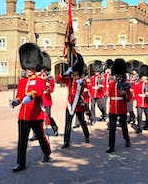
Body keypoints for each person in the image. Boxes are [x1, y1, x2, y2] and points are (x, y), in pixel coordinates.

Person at [10, 42, 51, 172]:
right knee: (22, 141)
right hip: (23, 116)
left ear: (34, 66)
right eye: (26, 68)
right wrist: (15, 102)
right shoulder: (22, 81)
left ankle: (47, 152)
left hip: (35, 115)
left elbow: (38, 92)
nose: (27, 70)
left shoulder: (40, 81)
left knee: (40, 136)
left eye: (29, 68)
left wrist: (30, 96)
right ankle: (20, 163)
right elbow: (20, 96)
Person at [56, 53, 90, 149]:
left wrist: (81, 82)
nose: (74, 75)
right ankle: (66, 142)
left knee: (82, 121)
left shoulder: (81, 81)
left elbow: (85, 85)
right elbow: (59, 79)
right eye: (73, 73)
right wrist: (64, 73)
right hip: (70, 105)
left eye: (75, 73)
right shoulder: (69, 80)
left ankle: (86, 135)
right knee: (67, 124)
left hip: (78, 105)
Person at [106, 58, 131, 153]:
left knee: (123, 125)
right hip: (113, 108)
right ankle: (111, 146)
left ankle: (127, 139)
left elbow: (129, 98)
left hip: (121, 108)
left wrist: (125, 93)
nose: (117, 76)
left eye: (118, 75)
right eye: (116, 75)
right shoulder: (111, 84)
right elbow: (110, 95)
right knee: (112, 128)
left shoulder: (125, 84)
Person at [132, 64, 148, 133]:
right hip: (139, 102)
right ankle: (139, 128)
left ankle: (147, 124)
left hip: (147, 101)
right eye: (143, 77)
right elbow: (134, 91)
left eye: (145, 77)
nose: (144, 78)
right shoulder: (137, 84)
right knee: (139, 115)